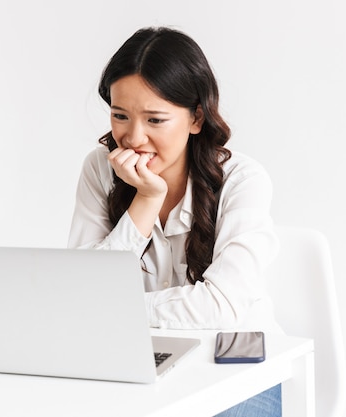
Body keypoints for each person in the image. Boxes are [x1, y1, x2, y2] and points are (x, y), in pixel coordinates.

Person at [68, 26, 282, 417]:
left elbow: (221, 306)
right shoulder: (99, 169)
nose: (133, 137)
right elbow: (84, 289)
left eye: (155, 119)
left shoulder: (243, 180)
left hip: (235, 365)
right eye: (120, 115)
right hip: (140, 365)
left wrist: (111, 307)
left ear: (196, 118)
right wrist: (147, 201)